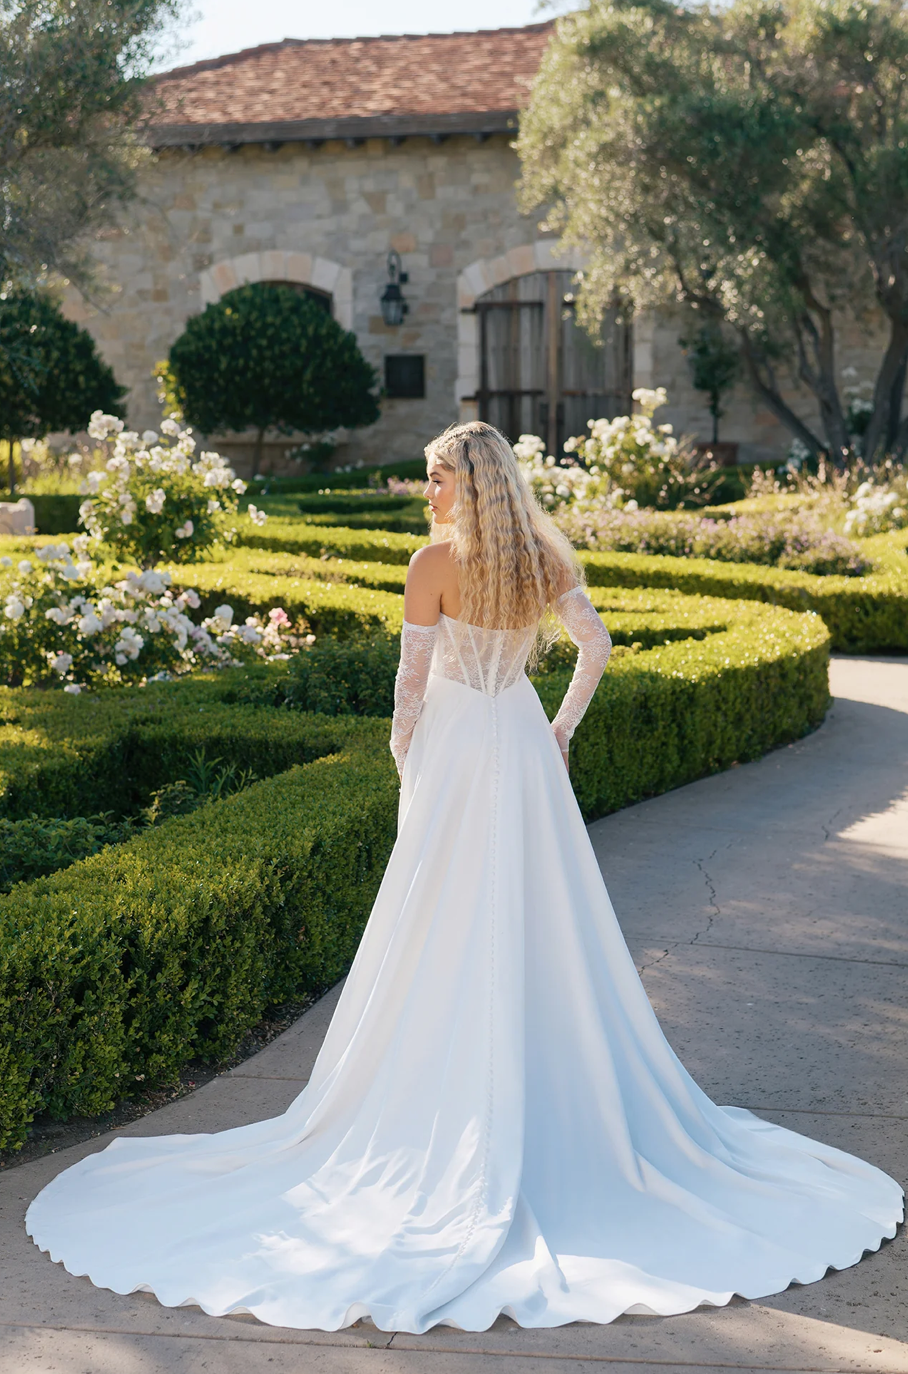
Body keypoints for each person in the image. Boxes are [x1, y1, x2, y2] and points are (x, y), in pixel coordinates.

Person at [26, 422, 902, 1334]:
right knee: (538, 912)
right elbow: (597, 647)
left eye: (437, 479)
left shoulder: (432, 565)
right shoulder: (544, 559)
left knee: (438, 913)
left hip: (455, 747)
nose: (428, 492)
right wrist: (559, 730)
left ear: (470, 484)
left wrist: (408, 763)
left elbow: (409, 690)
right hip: (520, 741)